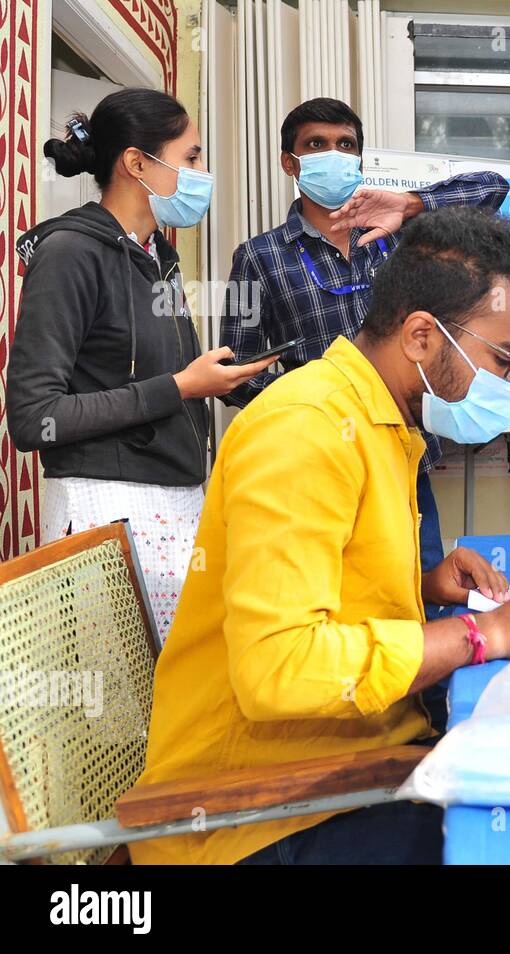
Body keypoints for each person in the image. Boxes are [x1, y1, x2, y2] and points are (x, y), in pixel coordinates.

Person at [130, 207, 510, 865]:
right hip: (262, 813)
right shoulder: (307, 429)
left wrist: (418, 583)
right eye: (507, 360)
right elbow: (282, 668)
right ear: (420, 336)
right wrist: (485, 634)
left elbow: (316, 576)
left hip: (350, 760)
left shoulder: (378, 417)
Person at [6, 88, 277, 640]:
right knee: (120, 716)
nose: (202, 171)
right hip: (106, 504)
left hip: (176, 503)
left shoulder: (159, 256)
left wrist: (231, 382)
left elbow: (163, 374)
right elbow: (33, 417)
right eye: (192, 157)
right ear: (136, 163)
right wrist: (179, 386)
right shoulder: (70, 255)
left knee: (179, 704)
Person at [220, 97, 509, 582]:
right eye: (316, 144)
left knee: (420, 593)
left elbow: (492, 190)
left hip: (404, 455)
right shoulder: (259, 257)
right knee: (330, 597)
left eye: (345, 145)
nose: (333, 154)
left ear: (359, 160)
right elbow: (234, 372)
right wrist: (309, 411)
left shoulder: (402, 235)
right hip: (318, 463)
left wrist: (411, 203)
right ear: (290, 162)